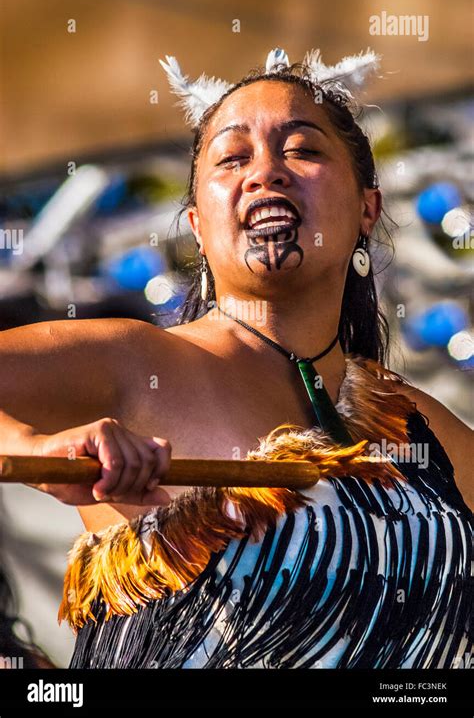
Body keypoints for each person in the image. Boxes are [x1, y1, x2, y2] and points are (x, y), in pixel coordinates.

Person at [0, 48, 471, 669]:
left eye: (302, 149)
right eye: (232, 157)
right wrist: (34, 451)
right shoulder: (132, 361)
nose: (265, 173)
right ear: (197, 226)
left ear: (367, 209)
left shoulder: (418, 425)